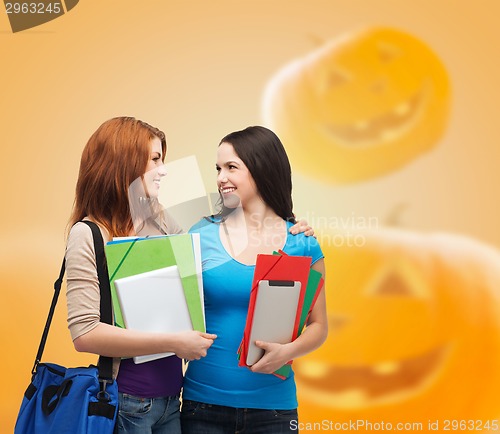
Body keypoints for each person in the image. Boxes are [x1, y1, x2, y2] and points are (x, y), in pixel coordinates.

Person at [65, 117, 314, 434]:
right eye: (155, 159)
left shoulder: (160, 220)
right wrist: (174, 342)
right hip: (125, 401)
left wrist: (289, 226)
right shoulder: (88, 234)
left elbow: (223, 236)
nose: (164, 170)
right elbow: (84, 333)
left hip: (172, 402)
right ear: (123, 164)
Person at [181, 126, 328, 434]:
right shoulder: (199, 234)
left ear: (261, 169)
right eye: (218, 168)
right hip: (202, 406)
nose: (221, 177)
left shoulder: (302, 243)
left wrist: (288, 352)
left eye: (232, 167)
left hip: (273, 410)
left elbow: (319, 326)